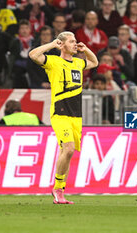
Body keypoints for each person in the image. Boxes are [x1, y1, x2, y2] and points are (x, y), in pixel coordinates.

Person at [29, 31, 98, 204]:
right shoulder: (53, 62)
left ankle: (60, 190)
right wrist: (52, 45)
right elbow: (33, 55)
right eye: (72, 41)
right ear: (62, 44)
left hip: (76, 115)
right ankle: (57, 189)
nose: (75, 43)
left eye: (75, 41)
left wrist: (86, 49)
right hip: (60, 112)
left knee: (67, 152)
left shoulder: (77, 62)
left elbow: (94, 62)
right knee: (68, 148)